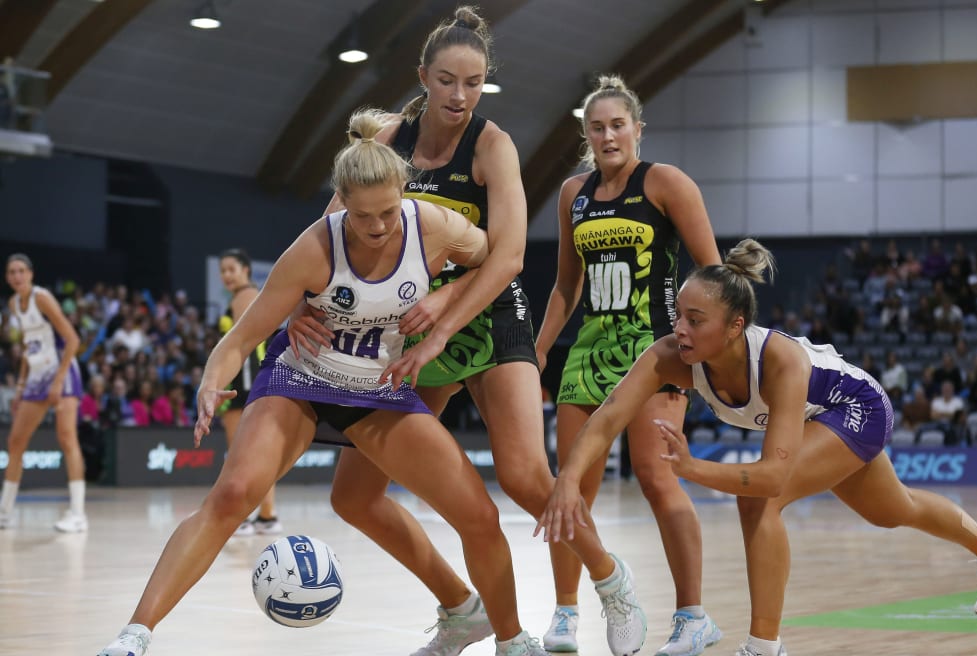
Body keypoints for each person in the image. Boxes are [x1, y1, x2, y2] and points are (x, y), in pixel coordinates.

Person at [97, 109, 553, 656]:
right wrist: (210, 382)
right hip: (302, 378)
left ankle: (507, 637)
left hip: (377, 389)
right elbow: (239, 339)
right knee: (233, 495)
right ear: (342, 205)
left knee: (479, 515)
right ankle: (133, 636)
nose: (380, 225)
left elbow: (497, 261)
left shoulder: (431, 226)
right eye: (364, 217)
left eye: (388, 211)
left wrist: (441, 298)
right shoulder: (315, 247)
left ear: (404, 195)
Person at [287, 8, 645, 656]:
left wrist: (445, 323)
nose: (459, 97)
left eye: (473, 83)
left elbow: (508, 255)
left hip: (487, 313)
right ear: (423, 76)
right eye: (447, 81)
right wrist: (295, 302)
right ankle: (460, 608)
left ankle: (612, 581)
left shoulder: (492, 144)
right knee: (354, 496)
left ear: (485, 84)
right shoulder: (388, 141)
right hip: (417, 329)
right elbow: (327, 233)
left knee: (526, 479)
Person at [537, 239, 977, 656]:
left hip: (854, 407)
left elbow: (772, 478)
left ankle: (764, 645)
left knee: (760, 497)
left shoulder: (780, 362)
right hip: (822, 419)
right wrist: (566, 480)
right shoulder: (669, 356)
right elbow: (605, 422)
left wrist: (690, 467)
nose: (680, 329)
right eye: (678, 316)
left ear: (735, 327)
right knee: (892, 508)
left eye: (695, 319)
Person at [534, 74, 722, 655]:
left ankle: (693, 616)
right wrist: (536, 352)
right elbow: (567, 286)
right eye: (597, 127)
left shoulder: (665, 182)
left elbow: (715, 275)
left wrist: (703, 350)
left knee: (655, 475)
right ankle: (566, 613)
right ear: (586, 134)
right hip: (589, 351)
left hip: (656, 350)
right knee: (570, 486)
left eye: (618, 125)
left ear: (638, 129)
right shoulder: (573, 193)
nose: (608, 135)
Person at [0, 254, 87, 532]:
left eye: (21, 271)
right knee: (16, 441)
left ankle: (77, 514)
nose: (17, 276)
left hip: (62, 369)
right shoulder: (14, 305)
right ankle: (5, 512)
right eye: (12, 272)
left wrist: (58, 381)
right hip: (37, 374)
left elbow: (72, 339)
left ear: (31, 274)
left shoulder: (42, 298)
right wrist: (22, 386)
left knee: (66, 437)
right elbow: (29, 346)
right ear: (7, 277)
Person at [216, 247, 282, 537]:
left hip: (243, 381)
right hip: (253, 378)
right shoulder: (251, 295)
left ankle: (242, 517)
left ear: (245, 269)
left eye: (231, 269)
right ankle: (266, 515)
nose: (226, 276)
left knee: (240, 453)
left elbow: (241, 343)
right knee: (256, 452)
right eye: (222, 271)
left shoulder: (244, 297)